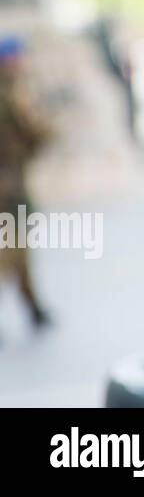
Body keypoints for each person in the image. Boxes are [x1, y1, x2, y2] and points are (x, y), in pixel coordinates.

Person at [0, 35, 53, 339]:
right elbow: (34, 132)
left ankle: (33, 307)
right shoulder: (11, 93)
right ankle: (33, 307)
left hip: (10, 184)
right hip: (8, 188)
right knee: (12, 251)